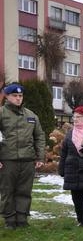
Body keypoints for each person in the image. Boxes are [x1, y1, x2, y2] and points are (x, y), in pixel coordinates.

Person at [0, 83, 45, 229]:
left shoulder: (31, 115)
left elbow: (39, 136)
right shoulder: (1, 113)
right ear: (7, 96)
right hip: (7, 159)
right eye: (14, 96)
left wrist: (40, 157)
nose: (18, 98)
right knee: (7, 190)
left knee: (24, 190)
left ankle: (22, 218)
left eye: (20, 96)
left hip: (27, 159)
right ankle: (10, 219)